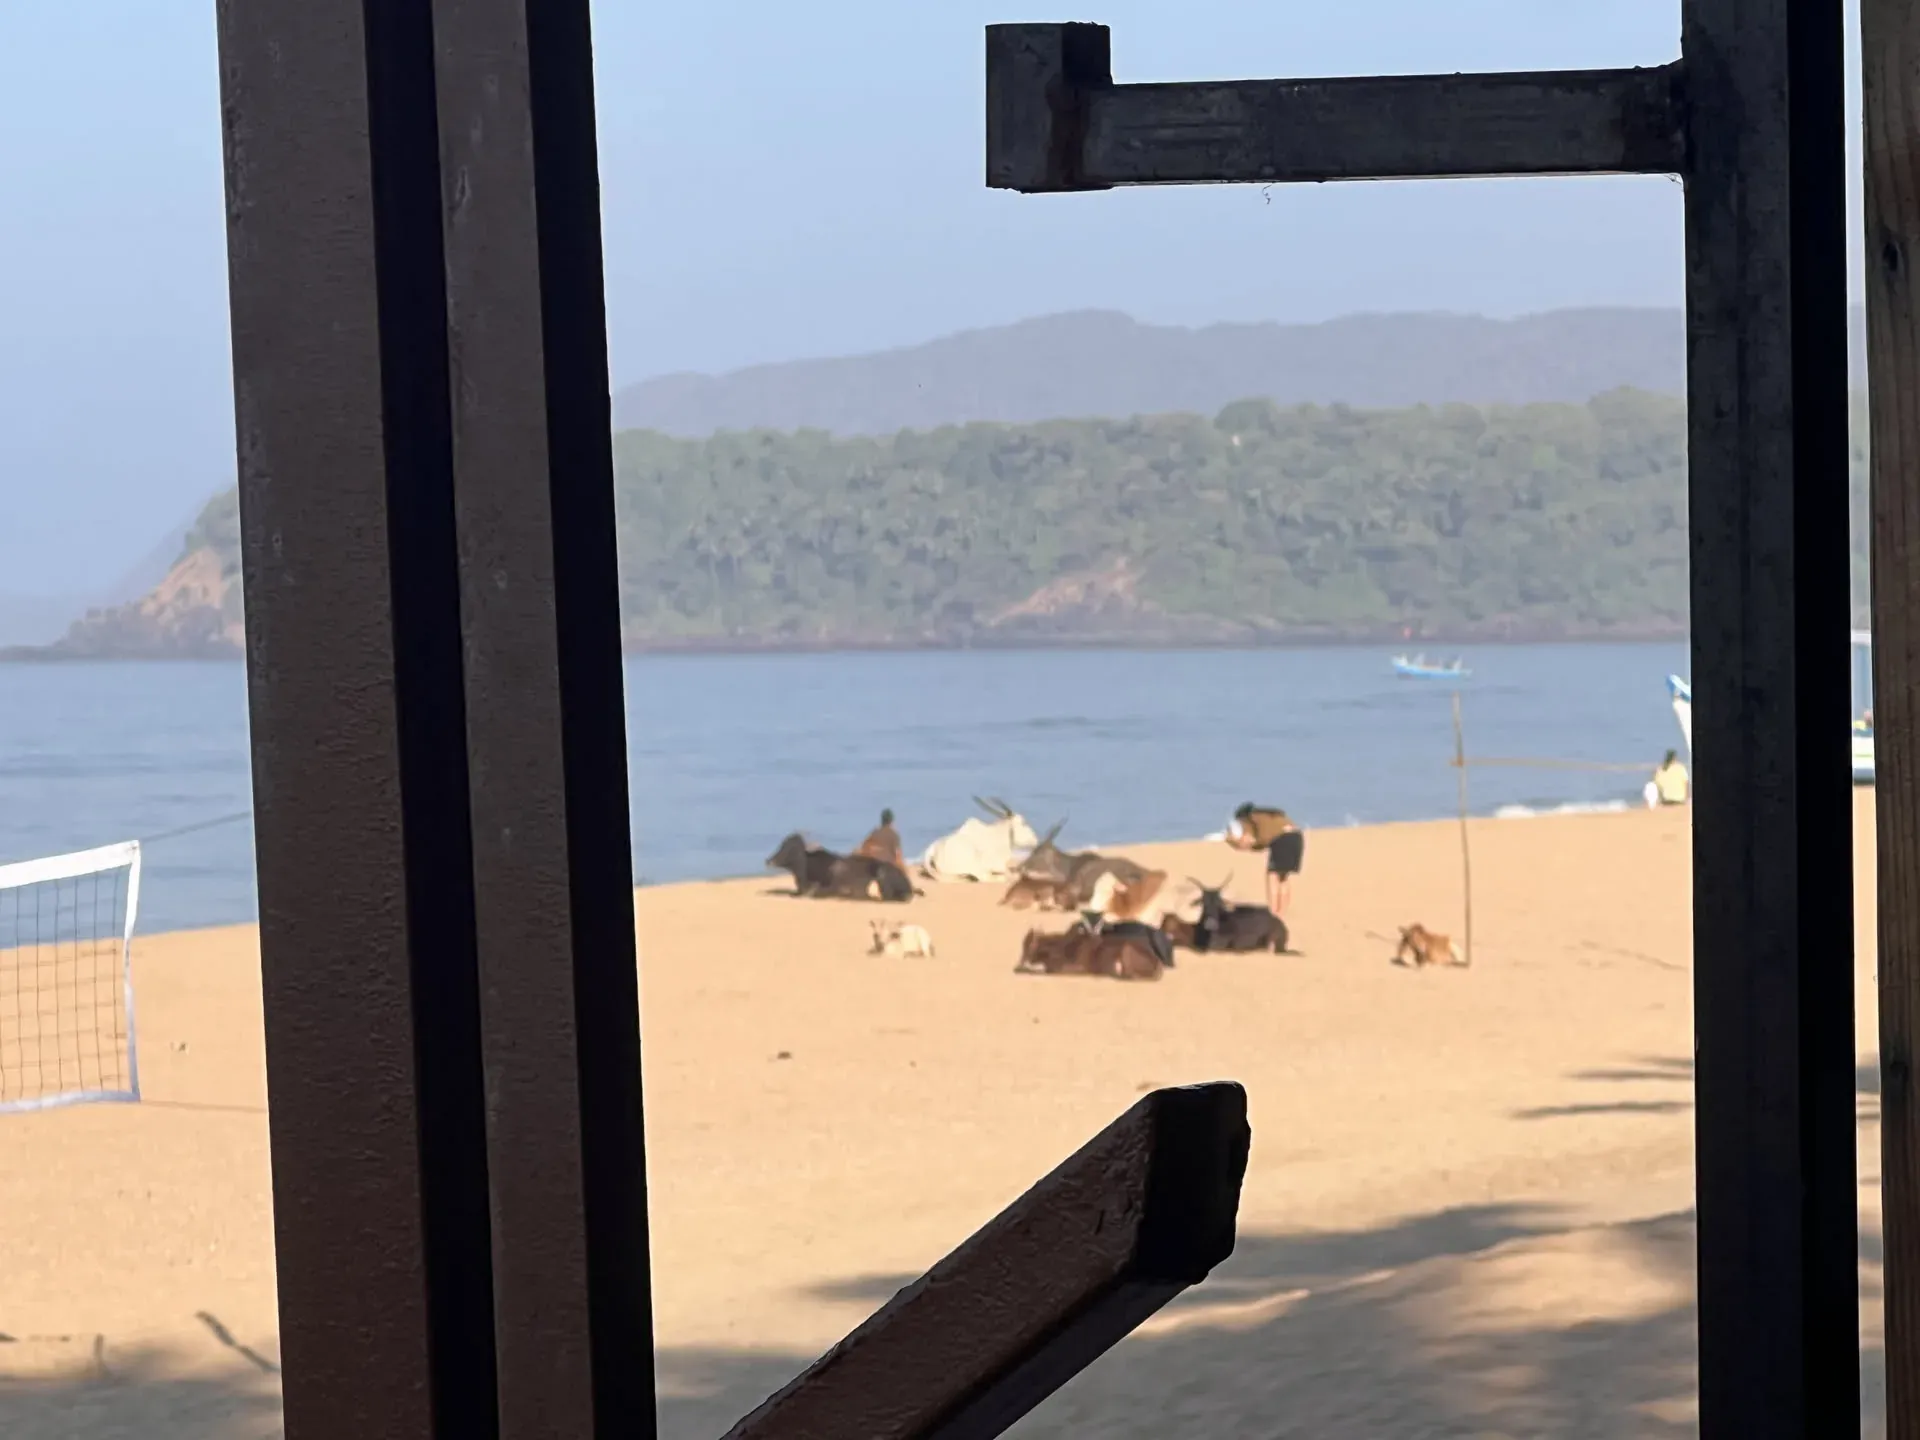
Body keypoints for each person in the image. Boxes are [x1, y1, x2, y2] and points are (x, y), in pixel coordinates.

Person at [1226, 802, 1304, 918]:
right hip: (1296, 837)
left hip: (1283, 839)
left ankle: (1273, 912)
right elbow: (1266, 839)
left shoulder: (1256, 818)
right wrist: (1252, 844)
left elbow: (1265, 838)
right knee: (1283, 878)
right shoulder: (1268, 815)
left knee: (1272, 876)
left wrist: (1250, 843)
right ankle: (1281, 912)